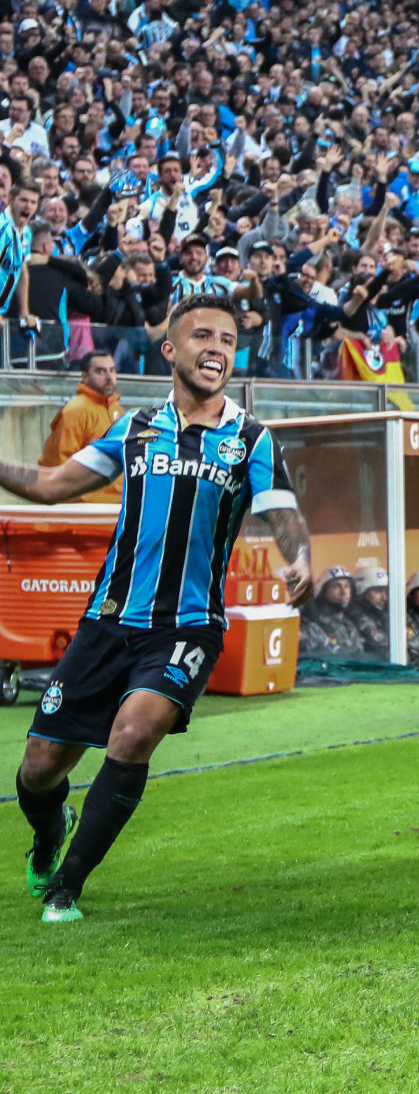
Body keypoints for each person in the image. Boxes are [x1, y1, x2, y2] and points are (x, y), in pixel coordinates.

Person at [4, 292, 312, 923]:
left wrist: (300, 556)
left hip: (188, 627)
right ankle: (50, 829)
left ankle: (66, 886)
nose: (217, 349)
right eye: (203, 337)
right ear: (170, 350)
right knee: (38, 769)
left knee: (134, 733)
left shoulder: (252, 439)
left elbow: (282, 513)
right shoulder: (134, 428)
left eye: (227, 341)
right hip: (108, 620)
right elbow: (52, 486)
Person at [39, 351, 122, 505]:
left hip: (117, 507)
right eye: (100, 371)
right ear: (85, 376)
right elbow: (57, 466)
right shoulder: (75, 411)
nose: (109, 377)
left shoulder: (116, 409)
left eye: (112, 370)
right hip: (86, 509)